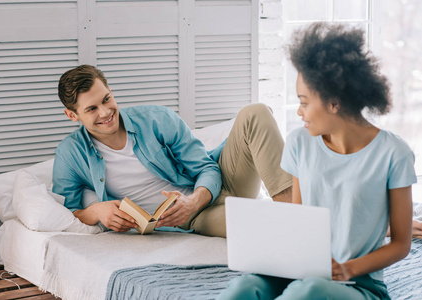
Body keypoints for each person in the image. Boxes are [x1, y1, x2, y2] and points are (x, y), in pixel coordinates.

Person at [218, 22, 417, 299]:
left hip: (360, 285)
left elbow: (401, 244)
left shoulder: (394, 153)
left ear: (334, 103)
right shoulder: (300, 143)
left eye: (304, 102)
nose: (299, 112)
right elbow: (299, 221)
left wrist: (347, 269)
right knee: (244, 288)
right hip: (302, 271)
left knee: (307, 291)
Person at [52, 64, 292, 237]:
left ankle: (296, 214)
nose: (105, 112)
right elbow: (67, 213)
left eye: (106, 99)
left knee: (256, 112)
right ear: (72, 115)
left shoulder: (157, 119)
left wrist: (195, 199)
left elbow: (206, 167)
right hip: (194, 218)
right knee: (260, 223)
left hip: (221, 182)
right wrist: (96, 211)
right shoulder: (70, 154)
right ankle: (300, 230)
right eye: (92, 109)